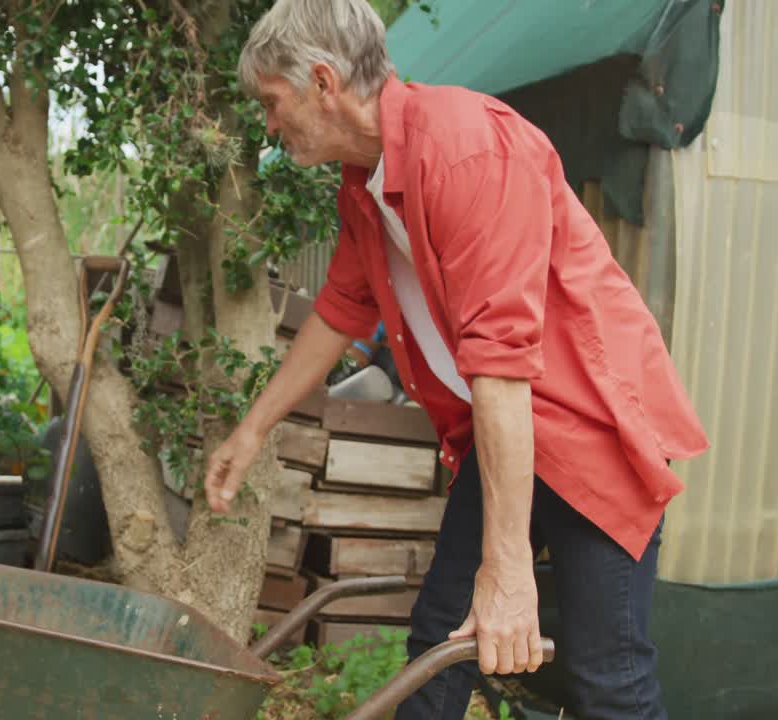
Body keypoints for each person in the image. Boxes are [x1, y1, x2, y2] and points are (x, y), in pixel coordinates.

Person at [206, 2, 709, 718]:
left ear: (322, 82)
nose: (269, 124)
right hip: (510, 440)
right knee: (441, 643)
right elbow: (342, 310)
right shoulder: (366, 182)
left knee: (607, 679)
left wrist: (506, 572)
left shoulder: (468, 150)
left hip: (594, 437)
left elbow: (501, 365)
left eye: (271, 102)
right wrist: (251, 431)